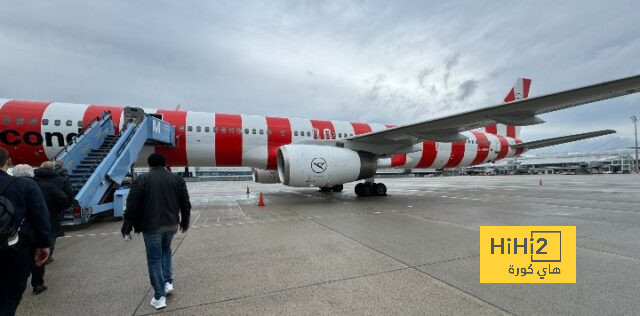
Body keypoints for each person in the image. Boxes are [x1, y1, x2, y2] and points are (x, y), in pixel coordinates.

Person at [122, 153, 191, 310]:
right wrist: (185, 222)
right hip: (172, 224)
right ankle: (168, 283)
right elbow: (185, 203)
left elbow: (132, 205)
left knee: (154, 259)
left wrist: (127, 224)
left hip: (151, 226)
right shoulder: (177, 179)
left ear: (149, 164)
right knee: (166, 251)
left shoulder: (142, 180)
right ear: (165, 164)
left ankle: (159, 296)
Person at [0, 150, 51, 316]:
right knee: (8, 299)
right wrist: (44, 245)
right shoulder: (25, 186)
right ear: (8, 161)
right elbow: (41, 217)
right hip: (13, 250)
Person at [19, 164, 69, 295]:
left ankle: (19, 284)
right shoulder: (43, 186)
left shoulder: (11, 187)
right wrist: (56, 211)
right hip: (39, 225)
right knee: (38, 255)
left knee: (19, 257)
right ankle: (38, 284)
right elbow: (63, 199)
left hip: (17, 229)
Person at [33, 161, 72, 261]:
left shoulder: (33, 180)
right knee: (52, 231)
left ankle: (37, 252)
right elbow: (66, 196)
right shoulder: (60, 179)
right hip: (54, 210)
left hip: (36, 209)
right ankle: (48, 254)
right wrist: (63, 208)